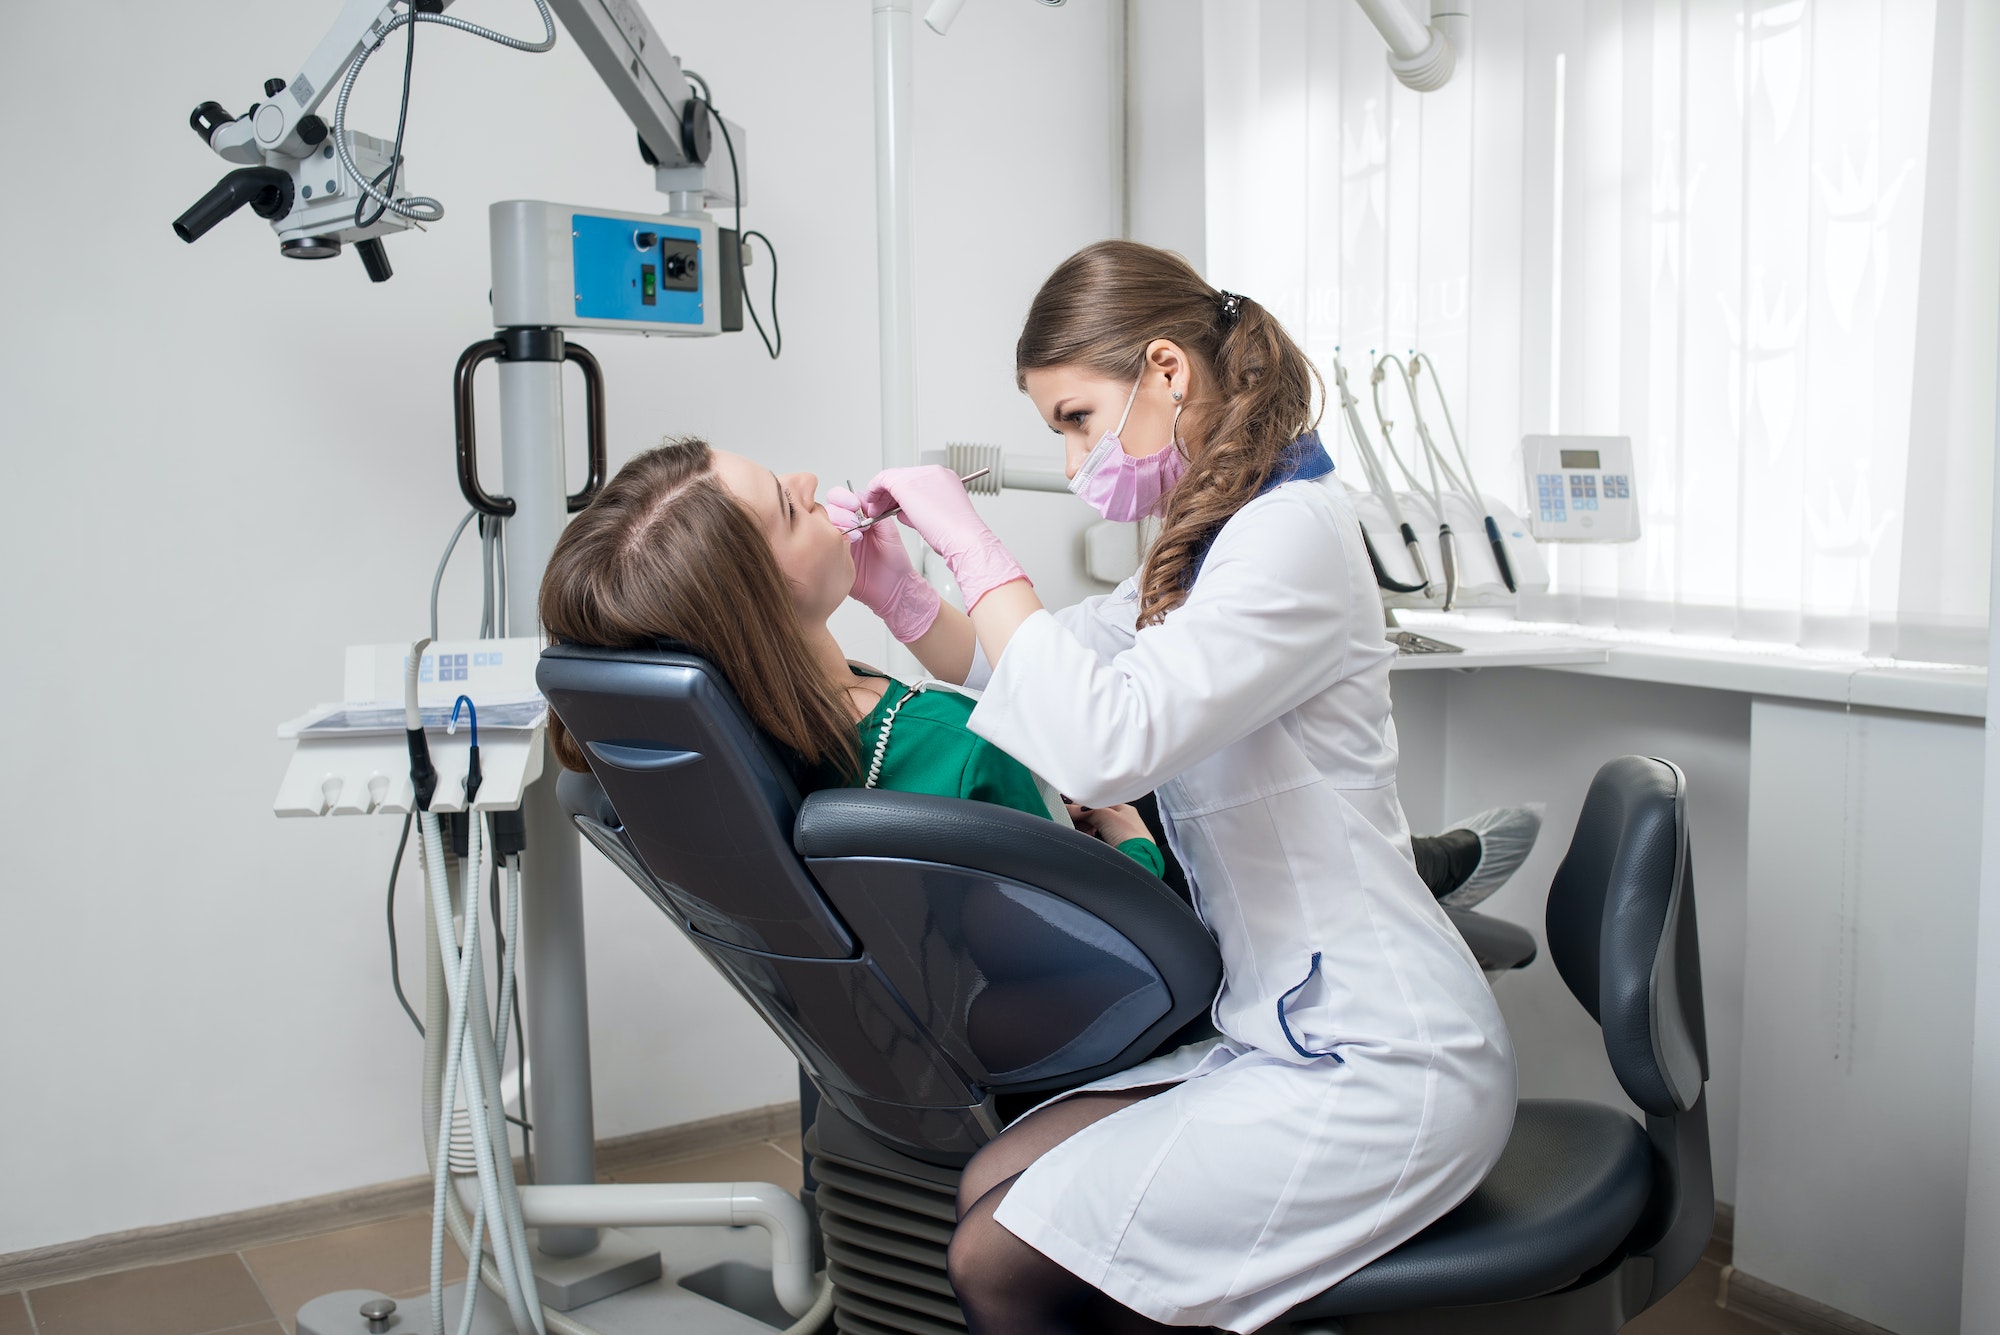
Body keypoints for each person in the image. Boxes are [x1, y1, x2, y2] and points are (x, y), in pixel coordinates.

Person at [848, 240, 1519, 1334]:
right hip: (1279, 1025)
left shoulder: (1288, 535)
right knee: (988, 1189)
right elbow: (1041, 667)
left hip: (1380, 1062)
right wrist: (903, 598)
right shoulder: (1204, 543)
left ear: (1165, 370)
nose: (1072, 461)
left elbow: (1107, 744)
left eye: (1073, 419)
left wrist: (975, 548)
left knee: (999, 1259)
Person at [536, 436, 1166, 872]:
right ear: (767, 600)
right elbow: (1115, 936)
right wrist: (1135, 848)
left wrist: (909, 604)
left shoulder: (732, 766)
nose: (807, 482)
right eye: (787, 505)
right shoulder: (959, 748)